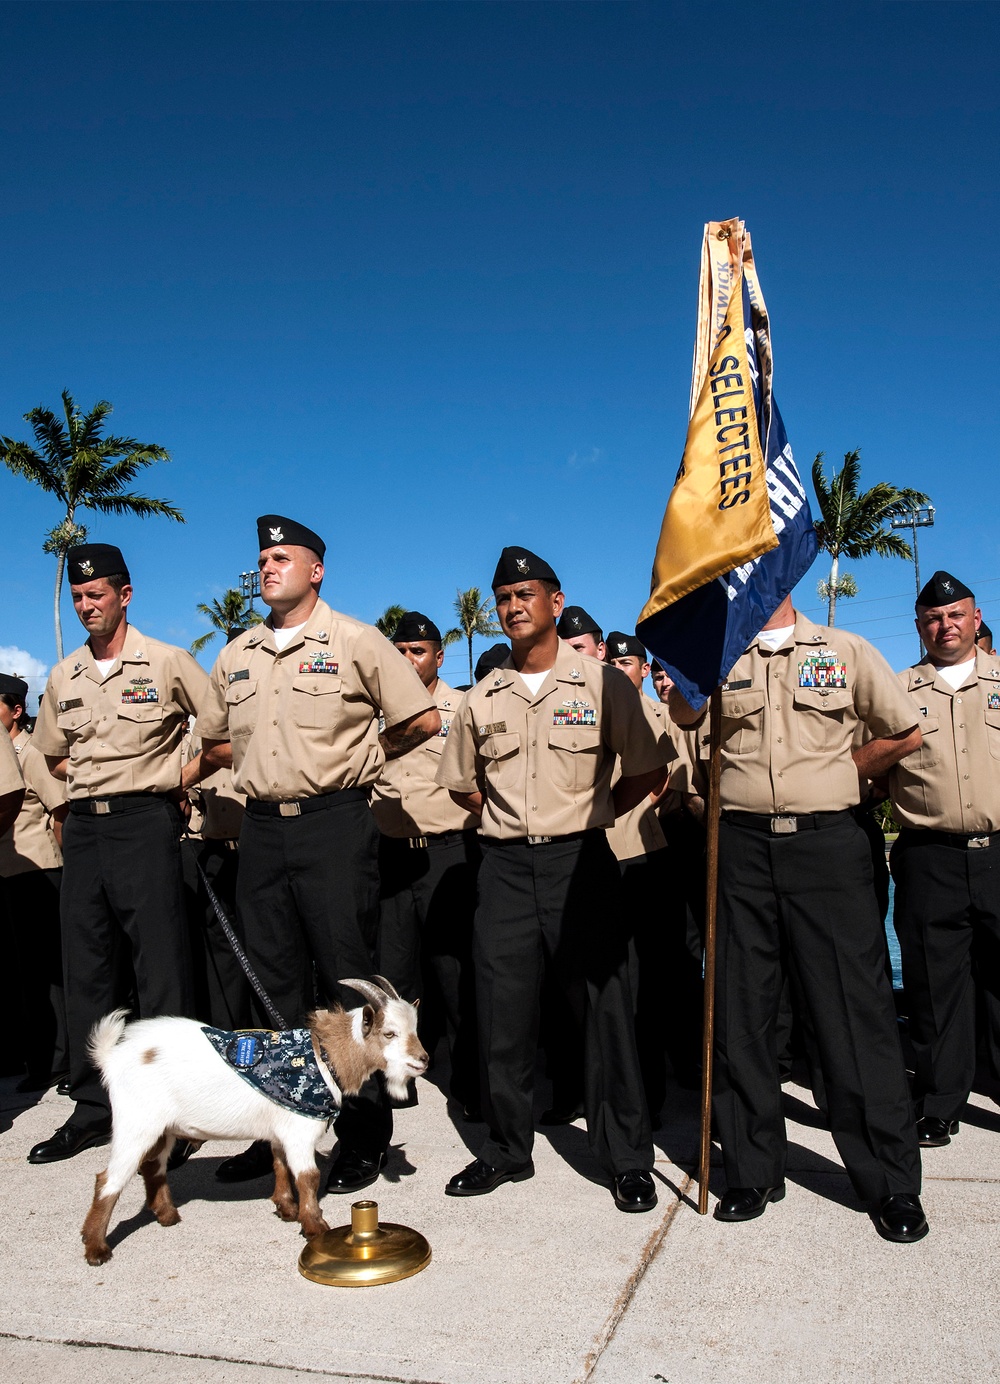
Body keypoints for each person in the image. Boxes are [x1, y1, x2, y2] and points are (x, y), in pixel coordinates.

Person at [669, 592, 928, 1242]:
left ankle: (889, 1182)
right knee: (740, 1012)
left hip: (828, 844)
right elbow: (681, 711)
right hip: (740, 847)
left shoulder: (844, 651)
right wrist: (695, 657)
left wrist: (841, 772)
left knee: (854, 1013)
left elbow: (903, 730)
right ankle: (753, 1170)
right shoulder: (720, 659)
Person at [196, 516, 440, 1191]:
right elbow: (217, 742)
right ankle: (276, 1136)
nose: (269, 566)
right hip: (261, 829)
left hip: (335, 825)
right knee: (268, 990)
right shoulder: (237, 653)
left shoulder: (357, 641)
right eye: (263, 558)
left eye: (282, 557)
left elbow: (422, 720)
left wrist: (363, 758)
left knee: (345, 988)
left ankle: (363, 1139)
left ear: (316, 570)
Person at [437, 546, 668, 1211]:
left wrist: (589, 814)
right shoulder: (482, 696)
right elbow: (461, 785)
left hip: (583, 864)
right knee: (503, 1019)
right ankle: (508, 1152)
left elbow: (649, 772)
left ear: (555, 603)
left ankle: (626, 1159)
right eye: (504, 598)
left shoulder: (602, 685)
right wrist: (511, 819)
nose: (512, 607)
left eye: (525, 595)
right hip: (506, 868)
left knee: (604, 1016)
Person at [28, 543, 208, 1163]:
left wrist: (179, 781)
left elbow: (220, 728)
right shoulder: (64, 675)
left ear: (124, 595)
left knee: (160, 970)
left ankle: (177, 1113)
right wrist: (70, 805)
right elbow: (49, 752)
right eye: (77, 597)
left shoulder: (166, 660)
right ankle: (94, 1105)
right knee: (89, 968)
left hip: (144, 823)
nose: (85, 606)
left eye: (96, 594)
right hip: (85, 829)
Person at [886, 571, 1000, 1149]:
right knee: (934, 984)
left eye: (956, 615)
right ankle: (939, 1102)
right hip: (929, 856)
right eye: (933, 618)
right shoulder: (896, 691)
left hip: (999, 850)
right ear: (919, 626)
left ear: (976, 619)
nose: (945, 625)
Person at [372, 611, 481, 1114]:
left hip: (448, 854)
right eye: (399, 652)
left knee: (455, 974)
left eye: (418, 651)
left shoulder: (465, 707)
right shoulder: (373, 711)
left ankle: (468, 1079)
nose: (407, 659)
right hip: (391, 857)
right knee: (395, 979)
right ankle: (399, 1077)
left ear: (439, 656)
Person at [605, 633, 701, 1107]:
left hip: (661, 842)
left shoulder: (667, 712)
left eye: (629, 662)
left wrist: (627, 810)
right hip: (612, 848)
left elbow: (671, 780)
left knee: (674, 962)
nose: (620, 669)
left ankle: (685, 1060)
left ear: (643, 669)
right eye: (613, 659)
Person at [0, 676, 69, 1091]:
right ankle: (35, 1056)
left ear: (16, 709)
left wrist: (71, 868)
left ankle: (59, 1059)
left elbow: (59, 810)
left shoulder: (30, 753)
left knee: (50, 969)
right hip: (9, 872)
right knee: (24, 972)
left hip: (40, 870)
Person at [181, 724, 252, 1031]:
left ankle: (266, 1032)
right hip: (214, 851)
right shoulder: (202, 736)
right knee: (222, 952)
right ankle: (228, 1032)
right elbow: (193, 796)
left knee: (264, 947)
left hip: (256, 850)